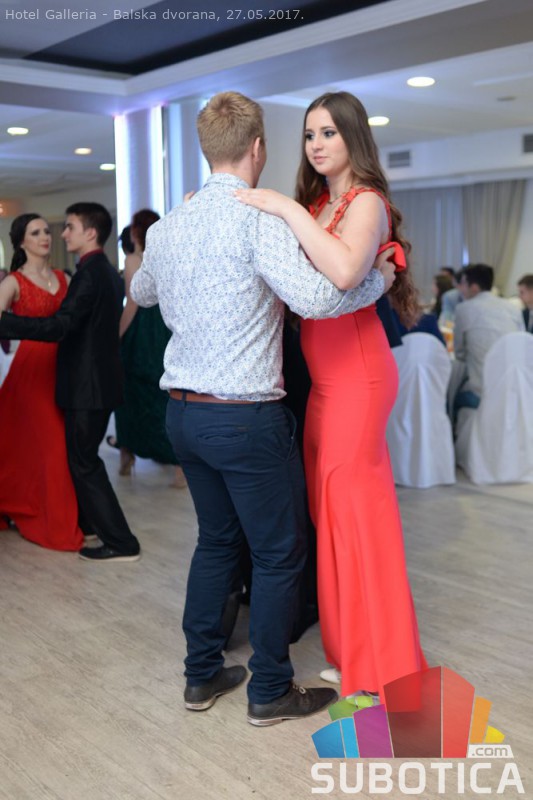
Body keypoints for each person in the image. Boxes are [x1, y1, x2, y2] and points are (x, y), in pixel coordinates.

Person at [130, 91, 395, 725]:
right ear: (258, 148)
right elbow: (319, 300)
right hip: (244, 417)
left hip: (183, 416)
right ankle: (270, 689)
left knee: (216, 543)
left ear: (205, 150)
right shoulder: (258, 220)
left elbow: (141, 290)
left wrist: (178, 241)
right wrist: (379, 280)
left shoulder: (169, 226)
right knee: (278, 553)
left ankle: (201, 677)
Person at [235, 90, 427, 703]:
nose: (316, 144)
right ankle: (352, 653)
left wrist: (282, 208)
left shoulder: (366, 202)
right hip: (324, 385)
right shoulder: (320, 204)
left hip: (359, 380)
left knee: (358, 521)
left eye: (328, 133)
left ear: (353, 138)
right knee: (332, 520)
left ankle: (384, 666)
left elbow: (344, 273)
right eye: (310, 134)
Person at [0, 202, 141, 562]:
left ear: (89, 233)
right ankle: (84, 522)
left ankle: (113, 538)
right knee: (66, 456)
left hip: (80, 378)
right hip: (54, 373)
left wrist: (9, 325)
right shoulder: (99, 272)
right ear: (21, 242)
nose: (57, 235)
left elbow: (64, 326)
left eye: (66, 228)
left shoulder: (82, 275)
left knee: (77, 460)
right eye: (39, 232)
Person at [0, 214, 83, 550]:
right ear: (22, 242)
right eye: (35, 233)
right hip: (31, 372)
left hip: (64, 368)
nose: (45, 237)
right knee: (51, 448)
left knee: (53, 447)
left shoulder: (65, 277)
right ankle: (55, 524)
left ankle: (37, 508)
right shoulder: (13, 281)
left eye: (47, 231)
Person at [112, 209, 187, 488]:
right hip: (164, 327)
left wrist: (118, 335)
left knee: (130, 392)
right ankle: (178, 466)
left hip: (141, 331)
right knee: (163, 396)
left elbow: (132, 302)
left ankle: (126, 453)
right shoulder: (169, 255)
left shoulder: (133, 259)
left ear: (135, 232)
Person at [452, 263, 525, 415]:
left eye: (463, 283)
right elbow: (521, 343)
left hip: (480, 393)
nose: (460, 288)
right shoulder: (513, 309)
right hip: (513, 389)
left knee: (450, 397)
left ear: (474, 287)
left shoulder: (463, 309)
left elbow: (459, 354)